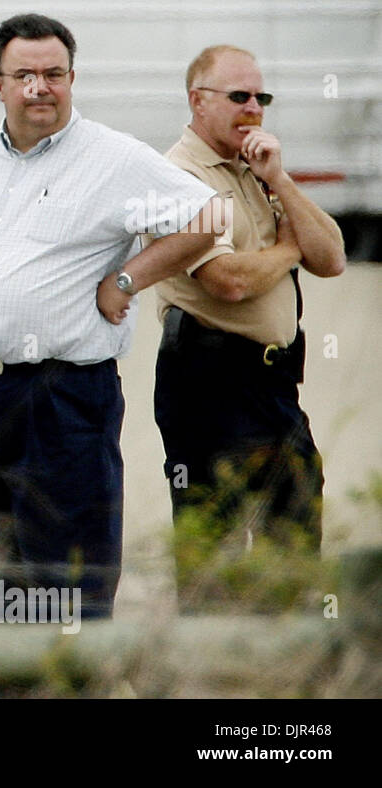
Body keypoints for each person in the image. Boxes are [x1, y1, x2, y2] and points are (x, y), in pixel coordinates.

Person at [0, 14, 222, 622]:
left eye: (53, 74)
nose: (39, 88)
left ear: (73, 78)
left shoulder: (111, 158)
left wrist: (127, 279)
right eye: (23, 75)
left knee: (71, 594)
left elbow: (209, 216)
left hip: (56, 402)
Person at [153, 46, 346, 609]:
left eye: (262, 98)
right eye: (239, 97)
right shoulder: (178, 174)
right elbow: (228, 280)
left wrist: (279, 180)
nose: (253, 109)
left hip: (274, 387)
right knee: (214, 557)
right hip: (209, 382)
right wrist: (288, 250)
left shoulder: (256, 170)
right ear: (198, 100)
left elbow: (331, 256)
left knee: (293, 543)